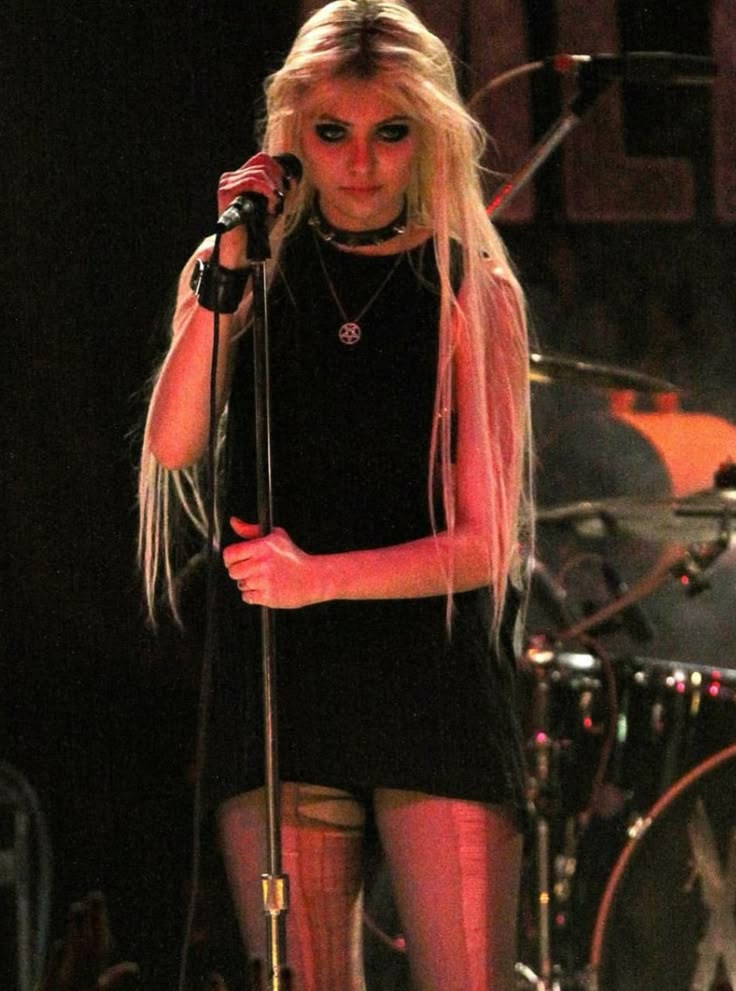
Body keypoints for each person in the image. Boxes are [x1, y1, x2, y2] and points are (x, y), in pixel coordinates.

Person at [138, 2, 532, 989]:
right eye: (332, 133)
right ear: (290, 137)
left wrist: (320, 577)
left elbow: (487, 543)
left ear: (428, 134)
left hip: (428, 675)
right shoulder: (244, 268)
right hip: (285, 679)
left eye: (389, 132)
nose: (360, 162)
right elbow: (175, 440)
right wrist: (227, 257)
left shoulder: (468, 286)